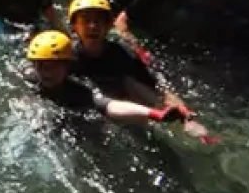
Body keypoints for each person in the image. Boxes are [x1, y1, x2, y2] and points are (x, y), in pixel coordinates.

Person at [66, 0, 212, 141]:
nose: (93, 26)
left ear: (109, 25)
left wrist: (186, 116)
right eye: (86, 21)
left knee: (132, 82)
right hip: (93, 101)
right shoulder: (67, 56)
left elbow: (157, 88)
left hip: (120, 96)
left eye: (98, 21)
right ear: (74, 26)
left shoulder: (120, 54)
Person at [24, 30, 190, 128]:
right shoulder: (30, 76)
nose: (46, 72)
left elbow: (111, 105)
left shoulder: (81, 92)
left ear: (67, 67)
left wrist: (155, 114)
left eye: (53, 66)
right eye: (40, 65)